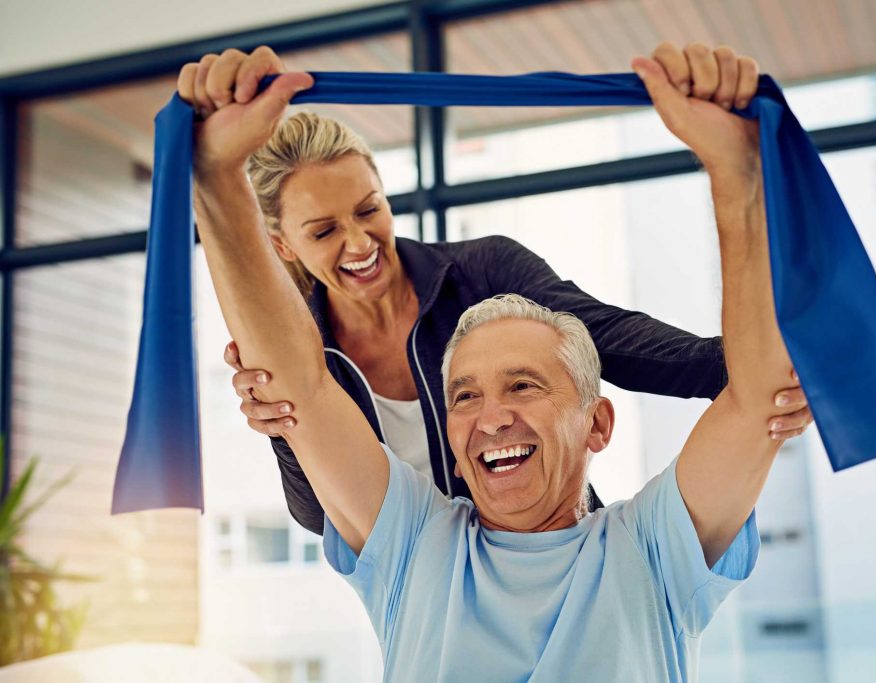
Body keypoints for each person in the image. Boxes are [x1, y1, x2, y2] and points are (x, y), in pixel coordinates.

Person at [188, 39, 802, 679]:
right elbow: (302, 396)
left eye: (523, 385)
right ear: (284, 246)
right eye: (464, 395)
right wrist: (214, 178)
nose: (491, 417)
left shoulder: (648, 549)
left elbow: (706, 377)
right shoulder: (416, 546)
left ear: (599, 422)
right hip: (417, 544)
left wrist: (740, 171)